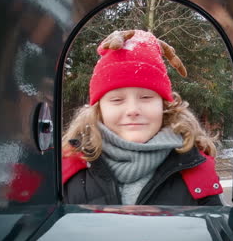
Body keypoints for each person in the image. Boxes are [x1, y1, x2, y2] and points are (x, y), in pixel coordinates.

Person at [62, 29, 223, 206]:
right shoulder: (67, 169)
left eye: (146, 97)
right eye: (117, 100)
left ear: (164, 105)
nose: (133, 110)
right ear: (99, 109)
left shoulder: (197, 170)